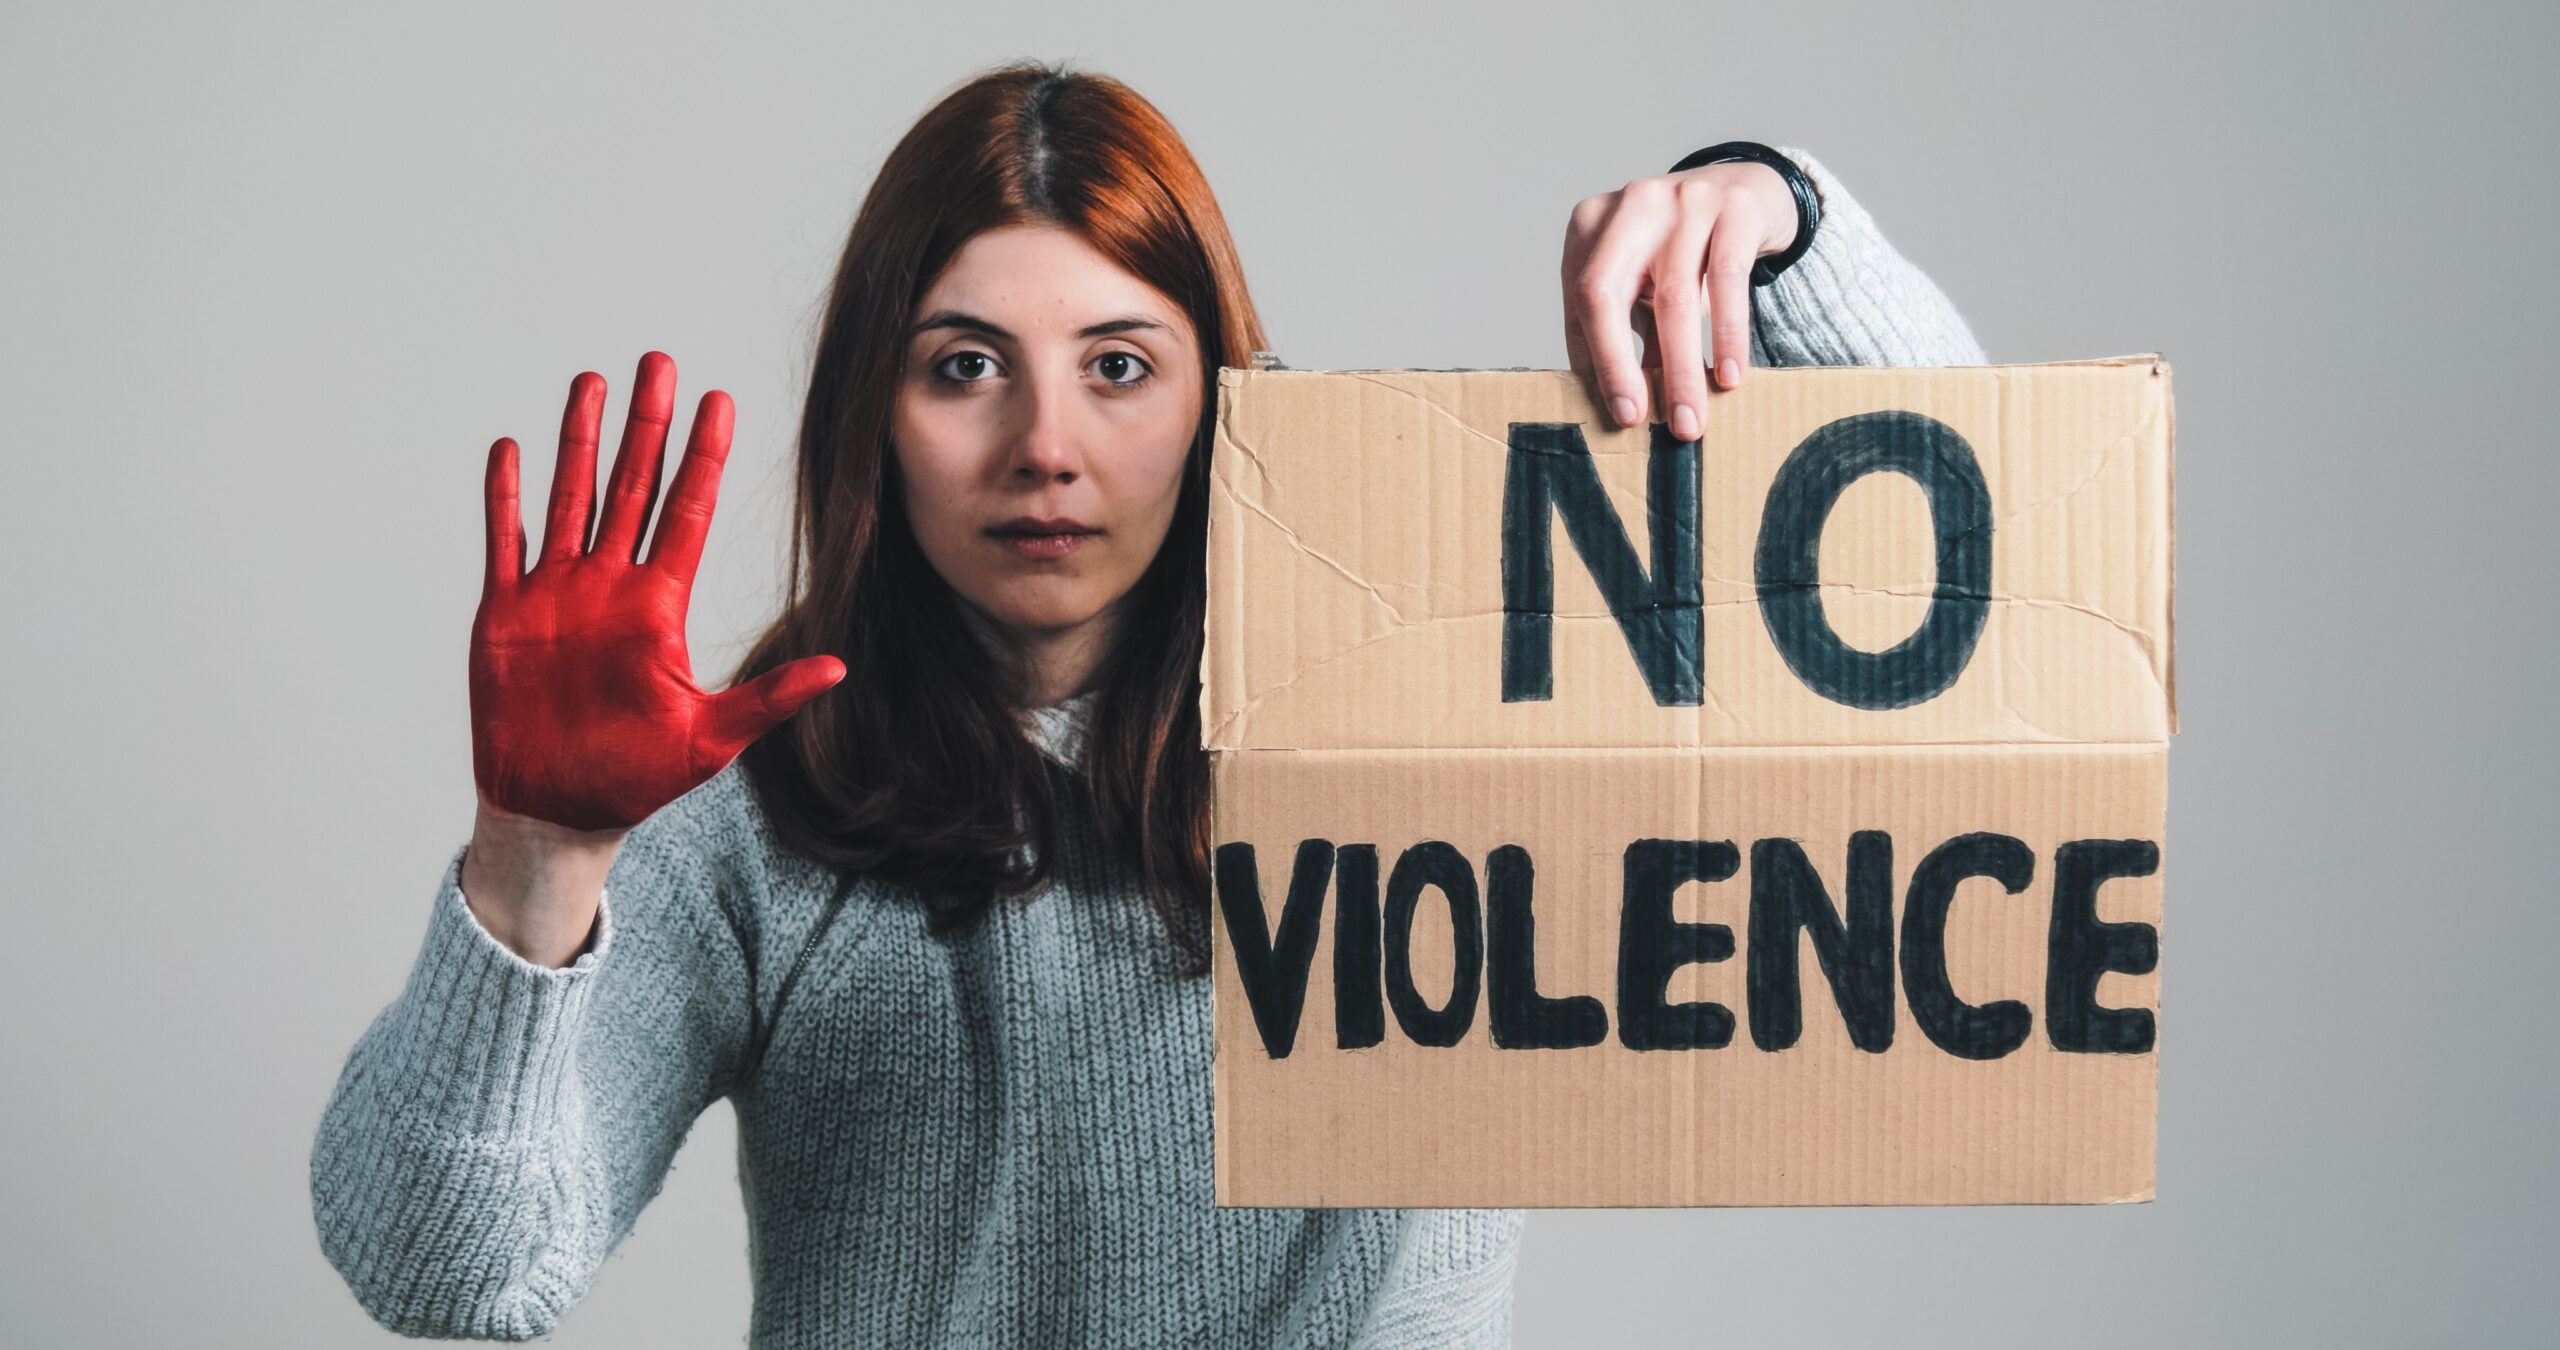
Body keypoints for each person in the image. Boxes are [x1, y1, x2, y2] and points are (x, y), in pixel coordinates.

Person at [309, 60, 1986, 1348]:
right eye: (965, 364)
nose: (1047, 443)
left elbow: (1979, 592)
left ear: (1214, 393)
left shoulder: (1435, 695)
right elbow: (451, 1265)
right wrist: (534, 859)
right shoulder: (753, 809)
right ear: (873, 413)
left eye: (1120, 364)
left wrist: (1780, 218)